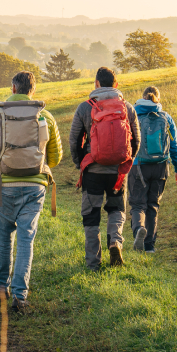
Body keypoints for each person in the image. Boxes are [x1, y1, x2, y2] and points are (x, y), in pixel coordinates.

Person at [0, 71, 62, 313]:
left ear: (13, 88)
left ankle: (1, 286)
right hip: (35, 186)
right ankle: (20, 294)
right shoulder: (45, 116)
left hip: (5, 184)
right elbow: (55, 158)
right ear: (32, 90)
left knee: (5, 238)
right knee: (27, 239)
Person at [69, 66, 140, 270]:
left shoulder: (85, 107)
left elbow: (74, 140)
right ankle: (115, 242)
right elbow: (137, 138)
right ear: (116, 85)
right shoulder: (126, 107)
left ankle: (93, 262)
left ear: (96, 84)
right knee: (116, 209)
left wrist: (79, 163)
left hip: (93, 170)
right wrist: (127, 161)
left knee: (91, 215)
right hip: (118, 171)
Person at [129, 86, 177, 254]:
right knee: (153, 205)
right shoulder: (166, 117)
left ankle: (138, 229)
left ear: (142, 97)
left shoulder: (134, 116)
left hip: (138, 165)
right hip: (161, 166)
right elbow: (174, 145)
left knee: (138, 204)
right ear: (158, 99)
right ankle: (149, 246)